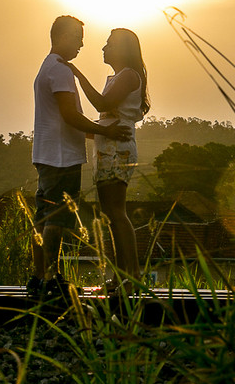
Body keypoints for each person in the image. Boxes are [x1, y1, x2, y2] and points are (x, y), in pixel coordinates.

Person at [30, 15, 129, 299]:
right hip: (61, 156)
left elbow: (66, 118)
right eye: (77, 37)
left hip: (47, 152)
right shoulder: (61, 70)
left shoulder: (47, 67)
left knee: (43, 217)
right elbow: (70, 115)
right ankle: (50, 279)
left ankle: (39, 277)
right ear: (61, 36)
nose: (82, 44)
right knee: (56, 219)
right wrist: (105, 132)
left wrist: (96, 133)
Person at [68, 28, 149, 290]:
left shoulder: (128, 75)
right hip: (107, 150)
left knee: (116, 212)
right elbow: (106, 117)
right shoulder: (118, 77)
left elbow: (103, 106)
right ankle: (120, 277)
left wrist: (79, 76)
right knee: (111, 214)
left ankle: (132, 276)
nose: (104, 48)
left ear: (123, 49)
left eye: (110, 44)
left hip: (117, 151)